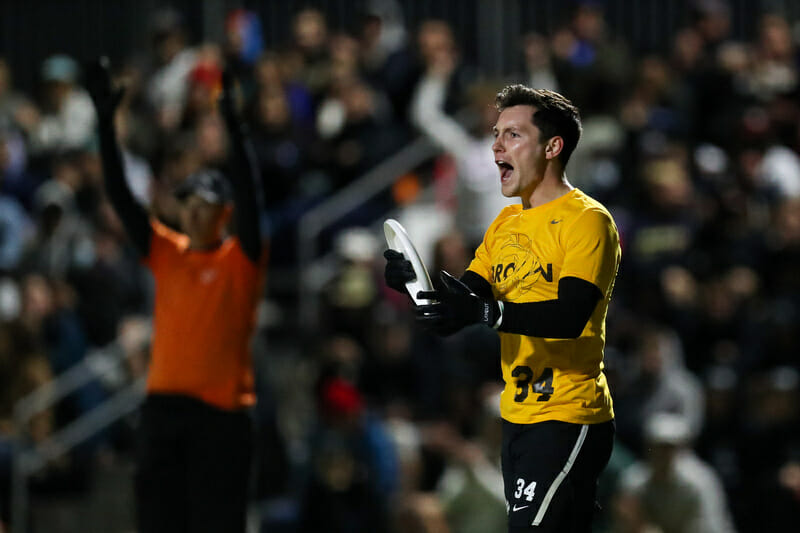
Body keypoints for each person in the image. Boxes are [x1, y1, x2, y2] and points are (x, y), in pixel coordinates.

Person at [385, 84, 621, 532]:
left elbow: (569, 318)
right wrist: (413, 283)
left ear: (553, 147)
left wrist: (489, 313)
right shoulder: (505, 222)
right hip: (516, 418)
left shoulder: (588, 220)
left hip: (568, 415)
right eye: (496, 134)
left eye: (512, 135)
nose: (495, 146)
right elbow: (456, 309)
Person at [86, 58, 265, 533]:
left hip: (221, 419)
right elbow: (122, 199)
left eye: (203, 204)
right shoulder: (169, 252)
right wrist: (104, 126)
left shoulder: (239, 260)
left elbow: (252, 202)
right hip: (163, 413)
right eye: (186, 202)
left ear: (223, 213)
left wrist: (234, 131)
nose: (191, 212)